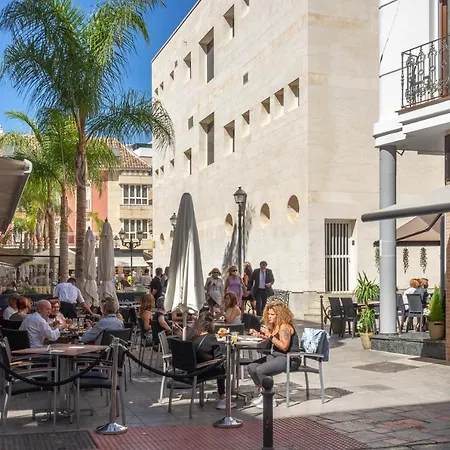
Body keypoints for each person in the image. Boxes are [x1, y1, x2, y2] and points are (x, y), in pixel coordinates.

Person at [247, 300, 300, 408]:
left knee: (261, 370)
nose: (269, 316)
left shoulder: (284, 327)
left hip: (289, 358)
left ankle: (270, 398)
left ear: (279, 315)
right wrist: (260, 335)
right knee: (252, 367)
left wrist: (269, 336)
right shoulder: (275, 326)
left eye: (272, 314)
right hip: (276, 355)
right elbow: (272, 340)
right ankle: (263, 392)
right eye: (268, 314)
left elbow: (284, 347)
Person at [188, 312, 235, 410]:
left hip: (190, 371)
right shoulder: (211, 338)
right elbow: (218, 358)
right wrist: (229, 352)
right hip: (201, 372)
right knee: (221, 368)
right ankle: (222, 398)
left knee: (219, 366)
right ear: (211, 325)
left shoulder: (191, 337)